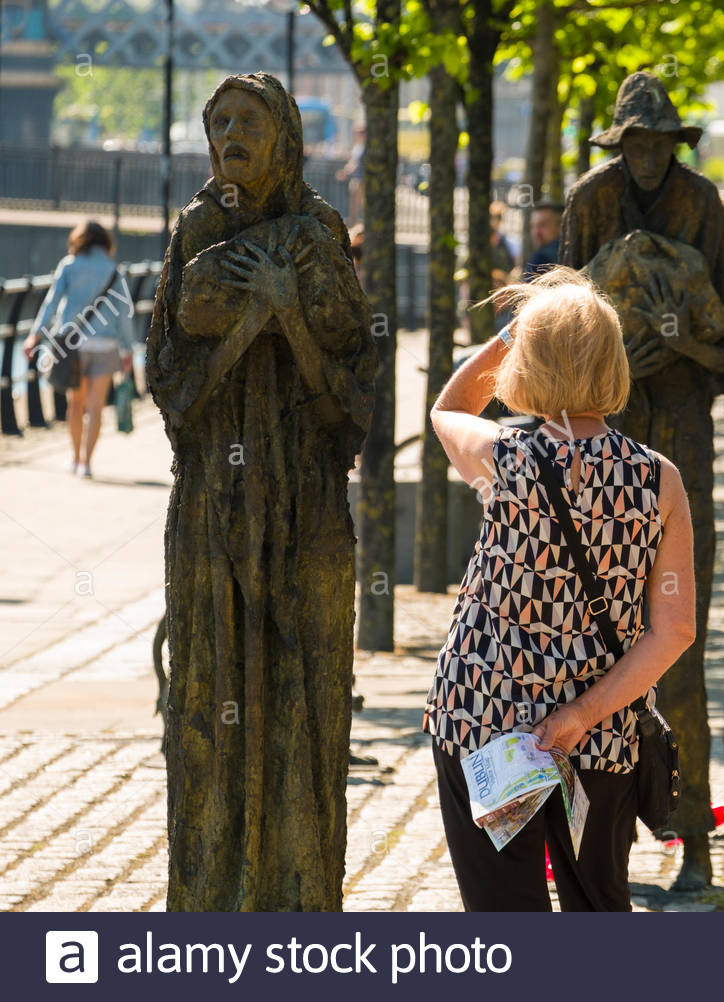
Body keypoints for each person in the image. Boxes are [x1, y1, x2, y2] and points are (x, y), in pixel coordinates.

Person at [147, 72, 377, 911]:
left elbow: (349, 404)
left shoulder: (318, 229)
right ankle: (209, 905)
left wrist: (295, 323)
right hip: (214, 504)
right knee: (209, 709)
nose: (231, 135)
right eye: (220, 123)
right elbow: (173, 390)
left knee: (303, 707)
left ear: (284, 134)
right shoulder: (197, 230)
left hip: (305, 503)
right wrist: (253, 319)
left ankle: (300, 900)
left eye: (248, 121)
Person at [423, 267, 697, 911]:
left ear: (525, 363)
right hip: (597, 731)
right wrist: (579, 715)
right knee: (596, 907)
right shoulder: (659, 480)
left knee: (502, 912)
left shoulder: (502, 458)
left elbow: (447, 410)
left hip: (482, 717)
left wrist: (504, 339)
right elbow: (674, 630)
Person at [560, 70, 724, 891]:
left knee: (678, 642)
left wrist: (687, 350)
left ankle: (694, 840)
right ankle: (600, 843)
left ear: (674, 145)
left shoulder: (702, 203)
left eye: (657, 144)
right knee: (594, 645)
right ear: (617, 145)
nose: (645, 158)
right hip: (600, 438)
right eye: (632, 143)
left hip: (679, 436)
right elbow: (556, 314)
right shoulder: (589, 200)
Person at [23, 220, 134, 478]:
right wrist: (128, 350)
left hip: (72, 346)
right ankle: (87, 463)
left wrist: (35, 335)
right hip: (106, 345)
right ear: (105, 242)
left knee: (76, 404)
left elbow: (51, 303)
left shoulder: (69, 265)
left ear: (79, 239)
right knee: (96, 407)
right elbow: (124, 315)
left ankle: (74, 458)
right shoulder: (114, 270)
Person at [523, 202, 562, 281]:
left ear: (560, 226)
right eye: (533, 226)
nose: (536, 232)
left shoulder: (540, 259)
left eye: (543, 225)